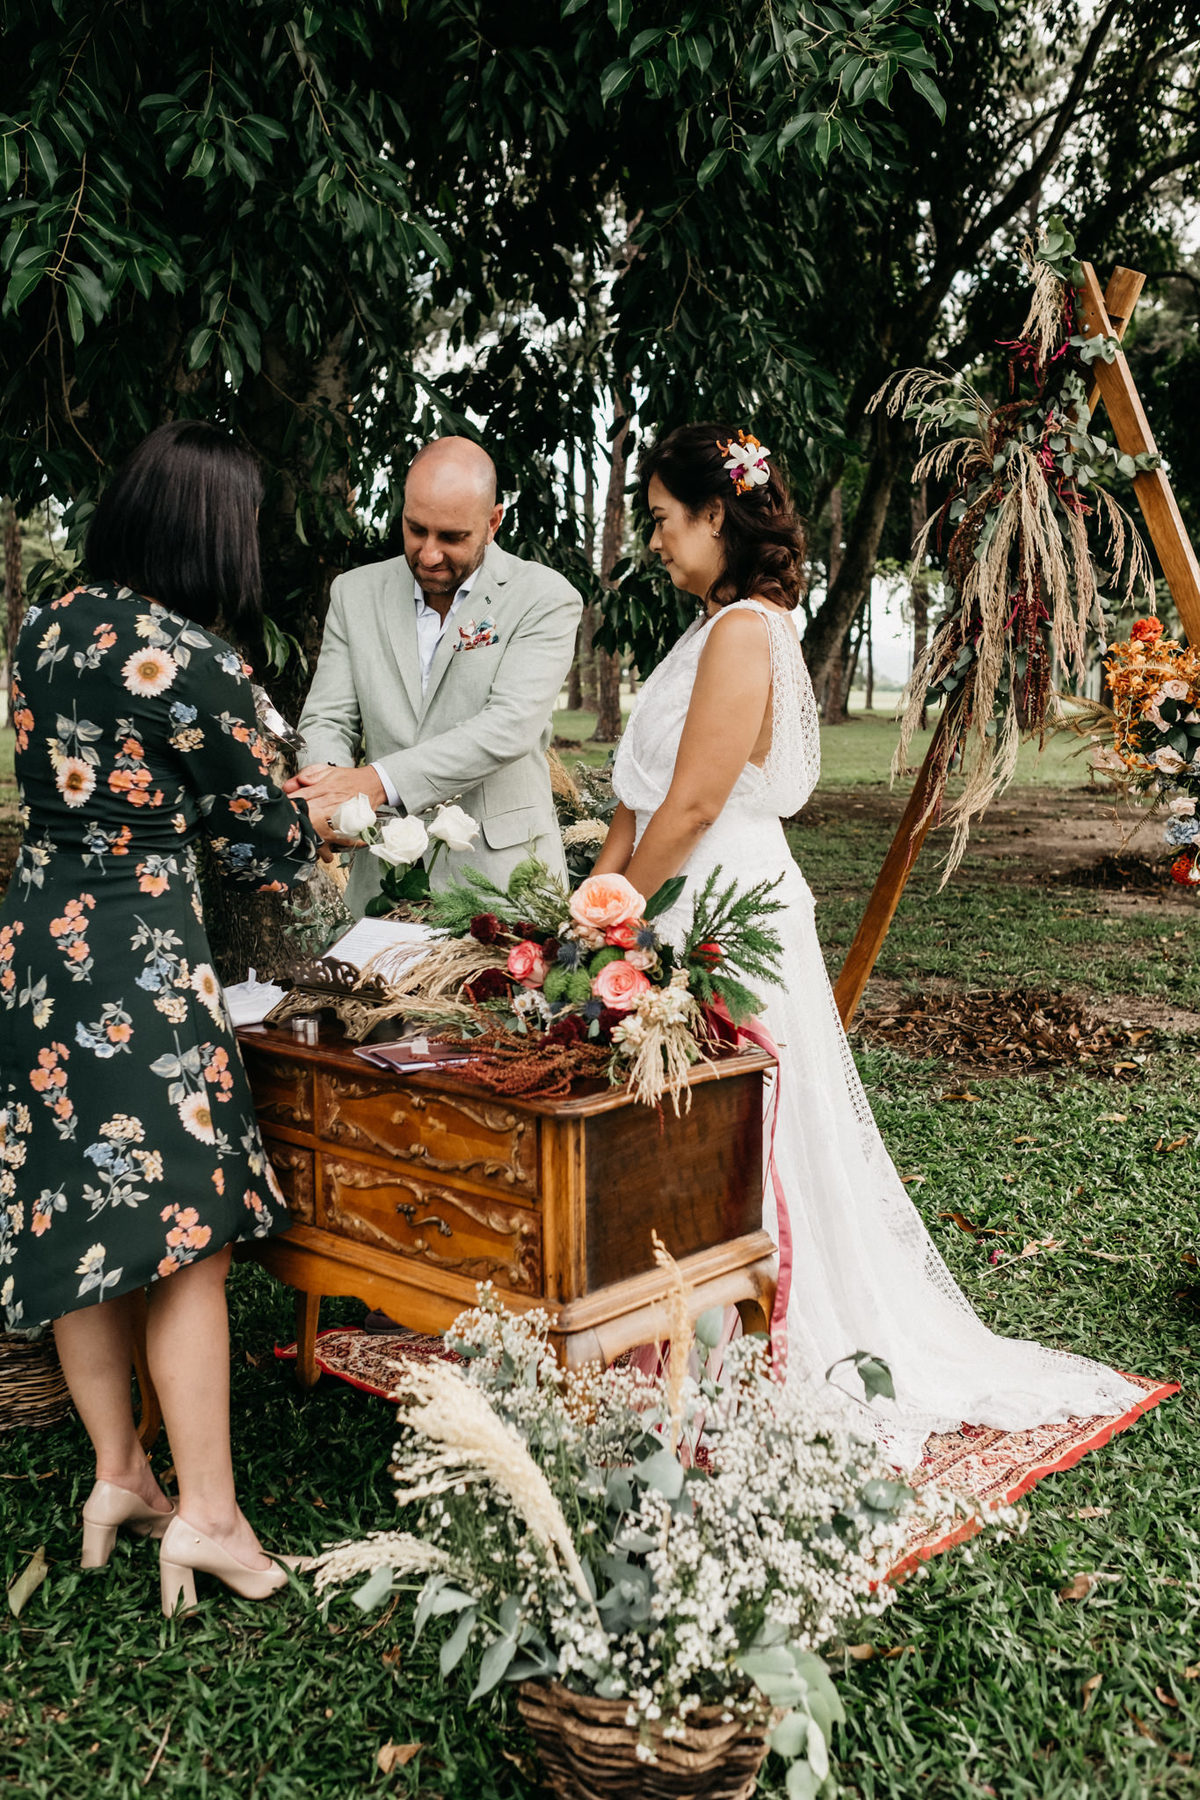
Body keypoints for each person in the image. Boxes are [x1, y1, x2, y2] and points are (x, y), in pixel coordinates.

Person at [594, 422, 1142, 1466]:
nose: (655, 541)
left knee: (741, 1136)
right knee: (673, 1133)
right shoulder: (703, 631)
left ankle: (762, 1342)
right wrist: (592, 904)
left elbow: (699, 798)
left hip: (723, 911)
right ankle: (670, 1329)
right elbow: (638, 796)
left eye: (665, 521)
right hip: (670, 902)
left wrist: (614, 906)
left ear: (718, 515)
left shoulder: (748, 632)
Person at [0, 421, 322, 1608]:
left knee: (82, 1213)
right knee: (188, 1228)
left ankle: (120, 1474)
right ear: (208, 531)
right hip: (136, 957)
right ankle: (215, 1517)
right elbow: (267, 840)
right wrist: (307, 818)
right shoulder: (187, 656)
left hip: (37, 946)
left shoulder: (45, 625)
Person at [289, 437, 583, 914]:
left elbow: (508, 727)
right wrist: (336, 804)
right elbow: (327, 718)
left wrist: (376, 782)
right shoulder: (354, 592)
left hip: (506, 883)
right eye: (415, 529)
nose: (428, 554)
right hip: (382, 881)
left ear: (493, 523)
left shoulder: (545, 597)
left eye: (451, 537)